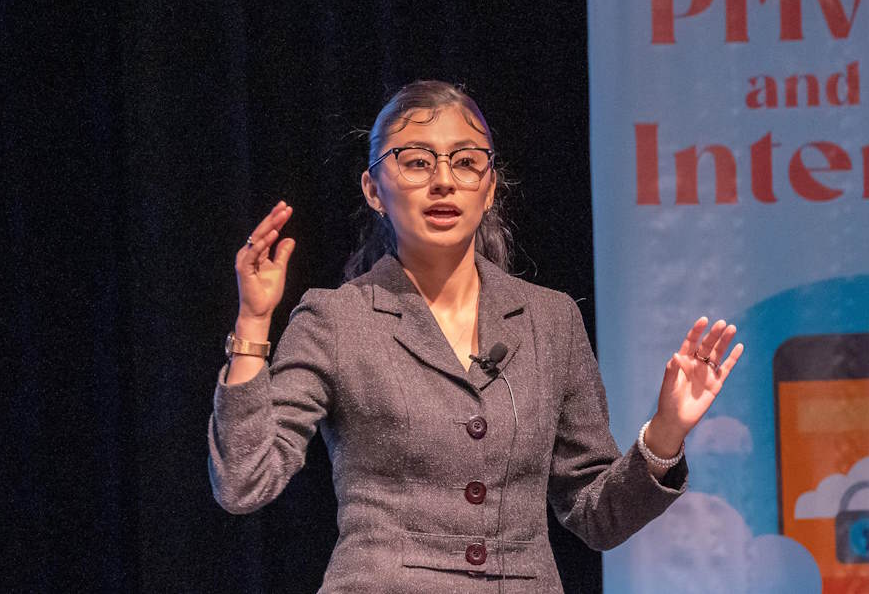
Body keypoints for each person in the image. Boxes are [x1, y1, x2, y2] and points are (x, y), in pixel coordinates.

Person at [208, 80, 744, 593]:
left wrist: (667, 432)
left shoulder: (549, 320)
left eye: (465, 162)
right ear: (374, 189)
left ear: (488, 189)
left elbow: (594, 515)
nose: (444, 180)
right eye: (417, 161)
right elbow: (244, 481)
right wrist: (253, 325)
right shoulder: (338, 320)